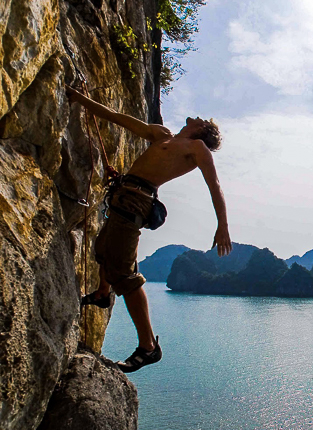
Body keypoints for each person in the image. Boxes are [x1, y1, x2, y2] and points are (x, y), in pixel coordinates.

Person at [66, 86, 233, 372]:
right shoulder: (161, 134)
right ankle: (103, 293)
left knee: (125, 273)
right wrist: (79, 97)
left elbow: (214, 186)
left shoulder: (197, 148)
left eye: (201, 118)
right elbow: (118, 117)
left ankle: (148, 347)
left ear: (202, 129)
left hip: (137, 201)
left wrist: (223, 226)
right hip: (124, 194)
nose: (195, 116)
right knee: (103, 249)